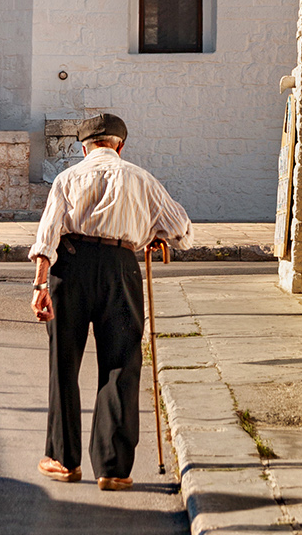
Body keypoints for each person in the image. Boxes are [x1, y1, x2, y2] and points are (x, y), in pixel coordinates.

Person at [29, 112, 193, 490]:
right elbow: (182, 230)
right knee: (121, 364)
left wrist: (40, 287)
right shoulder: (140, 178)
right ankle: (114, 468)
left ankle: (63, 459)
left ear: (82, 147)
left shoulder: (67, 178)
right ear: (121, 145)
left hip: (70, 267)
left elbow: (47, 235)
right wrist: (155, 234)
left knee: (64, 363)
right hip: (121, 268)